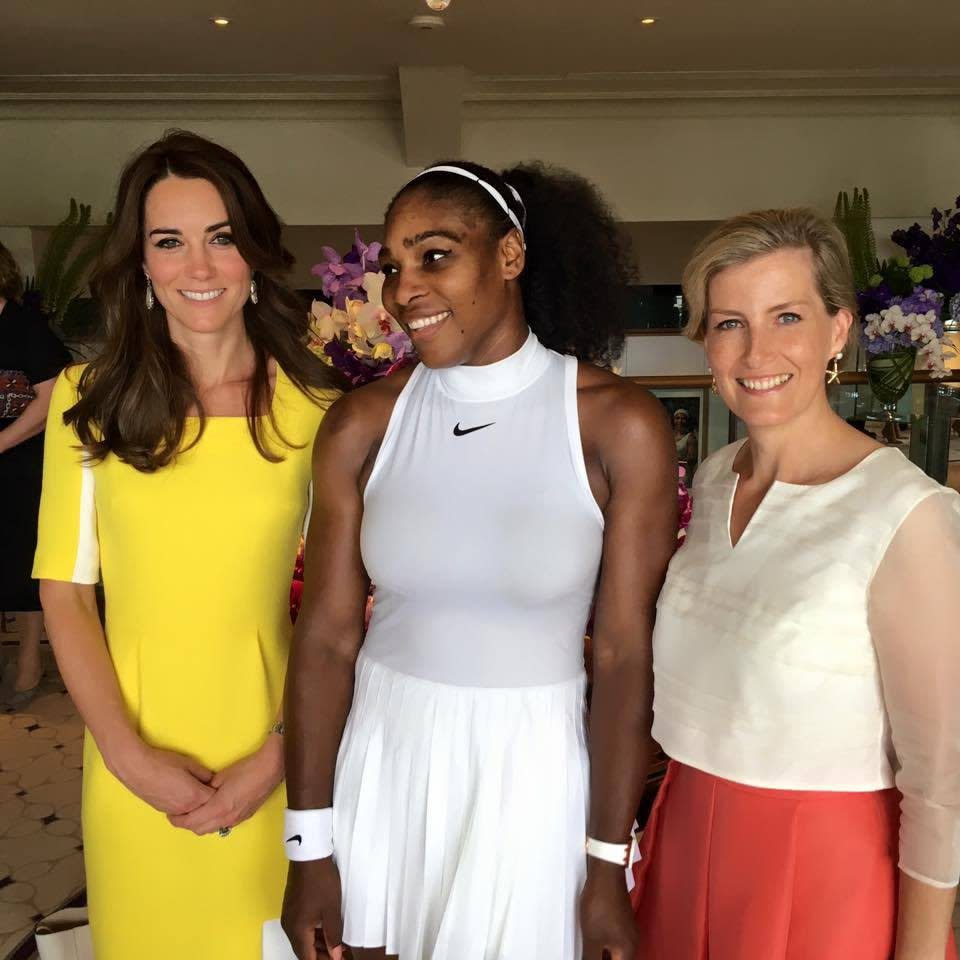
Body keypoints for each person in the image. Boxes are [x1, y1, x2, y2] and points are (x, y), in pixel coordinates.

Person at [281, 161, 678, 960]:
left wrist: (607, 865)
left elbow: (628, 658)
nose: (402, 290)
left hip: (533, 777)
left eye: (434, 256)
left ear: (509, 256)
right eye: (392, 266)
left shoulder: (616, 424)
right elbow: (325, 639)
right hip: (384, 762)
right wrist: (309, 848)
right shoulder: (364, 423)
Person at [34, 130, 341, 960]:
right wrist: (127, 756)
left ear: (254, 253)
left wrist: (278, 757)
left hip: (279, 754)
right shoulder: (85, 399)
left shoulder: (319, 411)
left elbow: (344, 606)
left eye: (222, 238)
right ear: (140, 262)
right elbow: (65, 590)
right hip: (131, 757)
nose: (198, 268)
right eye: (169, 242)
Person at [631, 208, 960, 959]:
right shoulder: (715, 480)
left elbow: (942, 783)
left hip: (824, 872)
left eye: (787, 316)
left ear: (838, 330)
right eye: (729, 323)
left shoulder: (905, 515)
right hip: (681, 840)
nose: (757, 352)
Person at [0, 242, 70, 706]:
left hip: (25, 465)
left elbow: (52, 399)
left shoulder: (26, 327)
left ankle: (29, 656)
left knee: (25, 561)